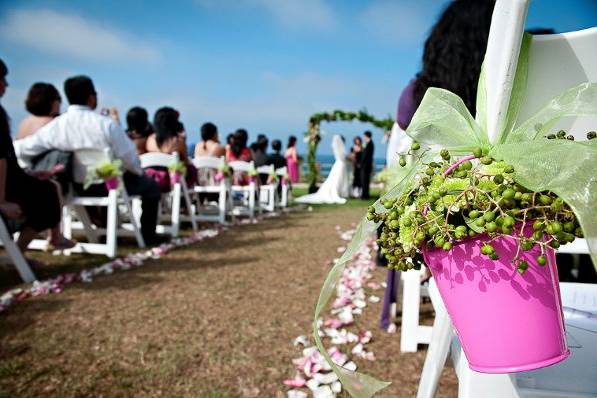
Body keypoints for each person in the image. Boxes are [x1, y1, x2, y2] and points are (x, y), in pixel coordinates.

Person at [379, 0, 496, 330]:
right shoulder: (526, 80)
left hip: (447, 213)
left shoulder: (421, 94)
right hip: (526, 209)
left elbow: (405, 119)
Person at [14, 75, 161, 244]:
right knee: (151, 187)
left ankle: (108, 232)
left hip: (76, 187)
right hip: (110, 185)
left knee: (116, 180)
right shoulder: (106, 125)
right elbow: (129, 158)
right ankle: (148, 237)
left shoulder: (58, 125)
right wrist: (137, 172)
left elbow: (26, 147)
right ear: (92, 97)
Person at [0, 59, 74, 261]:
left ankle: (20, 253)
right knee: (50, 192)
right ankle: (24, 250)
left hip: (18, 174)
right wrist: (2, 200)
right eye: (3, 79)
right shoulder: (53, 125)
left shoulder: (24, 123)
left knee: (47, 190)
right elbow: (1, 158)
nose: (6, 84)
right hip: (10, 183)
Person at [146, 107, 197, 189]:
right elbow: (185, 162)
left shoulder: (150, 140)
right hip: (173, 181)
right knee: (191, 169)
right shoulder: (178, 141)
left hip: (154, 180)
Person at [295, 135, 349, 204]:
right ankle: (336, 192)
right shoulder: (341, 149)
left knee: (335, 179)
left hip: (338, 165)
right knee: (337, 179)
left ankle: (338, 191)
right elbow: (344, 157)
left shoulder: (338, 148)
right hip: (340, 165)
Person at [360, 131, 374, 199]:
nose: (364, 138)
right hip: (366, 165)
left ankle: (365, 195)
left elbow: (366, 155)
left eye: (364, 136)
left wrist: (361, 163)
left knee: (365, 180)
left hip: (366, 165)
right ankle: (365, 195)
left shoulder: (370, 144)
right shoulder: (368, 143)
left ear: (366, 136)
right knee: (364, 180)